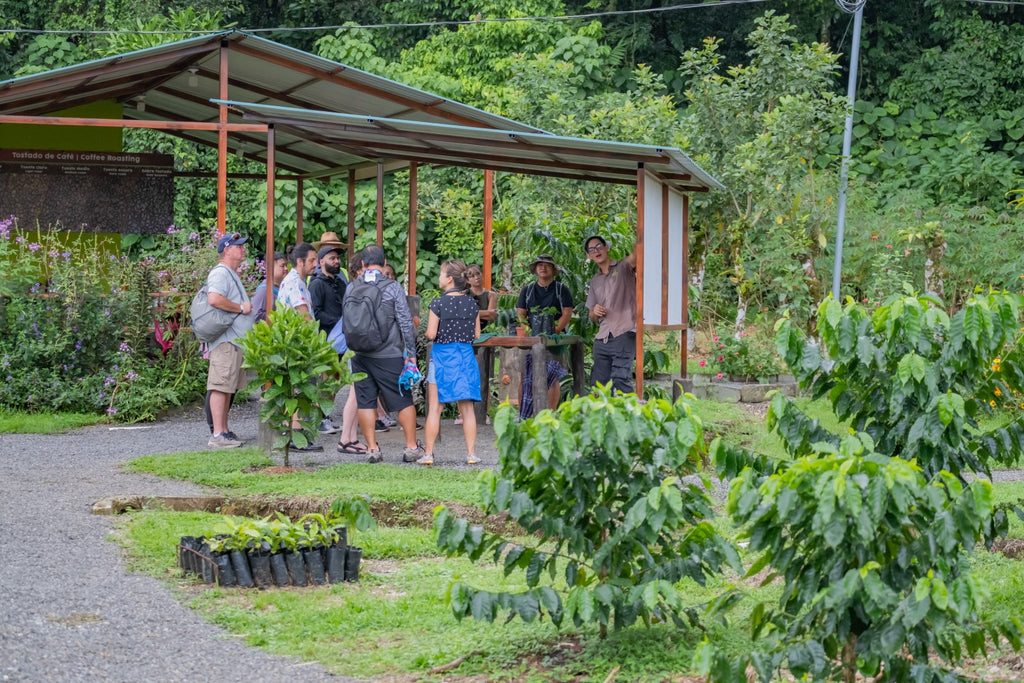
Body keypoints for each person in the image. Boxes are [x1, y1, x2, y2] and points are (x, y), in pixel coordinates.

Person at [344, 245, 424, 464]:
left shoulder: (351, 287)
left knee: (365, 401)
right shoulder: (392, 287)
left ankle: (372, 449)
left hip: (359, 353)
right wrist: (411, 353)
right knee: (402, 400)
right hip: (388, 353)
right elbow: (405, 322)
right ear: (384, 262)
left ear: (362, 264)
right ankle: (411, 447)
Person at [419, 260, 481, 466]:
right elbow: (476, 334)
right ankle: (471, 454)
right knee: (467, 409)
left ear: (448, 279)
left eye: (440, 274)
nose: (438, 277)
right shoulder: (472, 304)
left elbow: (431, 333)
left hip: (442, 357)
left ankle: (428, 454)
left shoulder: (438, 303)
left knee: (435, 407)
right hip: (464, 357)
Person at [205, 232, 255, 449]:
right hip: (226, 341)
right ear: (226, 249)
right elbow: (214, 299)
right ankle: (217, 434)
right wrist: (240, 308)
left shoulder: (230, 273)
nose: (243, 249)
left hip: (234, 342)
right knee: (220, 386)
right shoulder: (220, 273)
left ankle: (224, 431)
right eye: (238, 246)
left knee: (228, 387)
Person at [275, 242, 324, 452]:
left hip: (297, 345)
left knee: (301, 389)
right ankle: (295, 436)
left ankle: (295, 434)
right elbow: (303, 315)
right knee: (299, 389)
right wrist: (318, 344)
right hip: (296, 346)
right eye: (312, 260)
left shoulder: (300, 281)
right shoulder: (294, 282)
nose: (316, 264)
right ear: (300, 261)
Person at [516, 254, 573, 419]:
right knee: (525, 375)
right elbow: (521, 313)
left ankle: (550, 414)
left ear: (553, 269)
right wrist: (527, 329)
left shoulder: (561, 289)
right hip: (530, 340)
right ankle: (523, 415)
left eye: (547, 265)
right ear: (535, 269)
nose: (543, 267)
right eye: (539, 265)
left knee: (553, 376)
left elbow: (567, 313)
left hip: (554, 341)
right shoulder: (527, 290)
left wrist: (554, 330)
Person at [584, 234, 638, 394]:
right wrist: (594, 312)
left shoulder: (623, 267)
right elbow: (591, 316)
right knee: (598, 385)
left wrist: (643, 231)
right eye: (591, 249)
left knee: (620, 380)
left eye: (599, 246)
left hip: (624, 333)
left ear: (606, 247)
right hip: (602, 339)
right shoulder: (595, 281)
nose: (596, 251)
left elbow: (638, 254)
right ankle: (603, 418)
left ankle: (632, 416)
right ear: (589, 255)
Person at [309, 244, 347, 435]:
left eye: (337, 258)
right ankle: (320, 418)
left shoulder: (341, 283)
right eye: (332, 258)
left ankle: (325, 415)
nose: (336, 261)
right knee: (326, 379)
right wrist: (338, 322)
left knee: (335, 379)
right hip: (325, 339)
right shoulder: (316, 284)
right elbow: (314, 313)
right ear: (321, 261)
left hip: (341, 339)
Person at [335, 253, 369, 455]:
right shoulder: (355, 288)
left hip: (353, 344)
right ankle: (346, 439)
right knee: (355, 393)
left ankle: (350, 437)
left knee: (356, 392)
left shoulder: (352, 287)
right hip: (355, 345)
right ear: (359, 269)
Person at [455, 264, 496, 426]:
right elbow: (463, 314)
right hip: (465, 336)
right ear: (467, 280)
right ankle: (461, 413)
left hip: (484, 337)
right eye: (471, 275)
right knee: (463, 374)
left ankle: (483, 412)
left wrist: (473, 313)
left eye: (478, 273)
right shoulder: (464, 294)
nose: (476, 277)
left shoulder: (491, 294)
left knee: (482, 375)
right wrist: (482, 313)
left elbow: (492, 315)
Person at [251, 251, 287, 322]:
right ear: (270, 268)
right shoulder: (264, 290)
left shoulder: (282, 286)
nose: (286, 268)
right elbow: (255, 314)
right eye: (282, 266)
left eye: (286, 265)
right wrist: (277, 316)